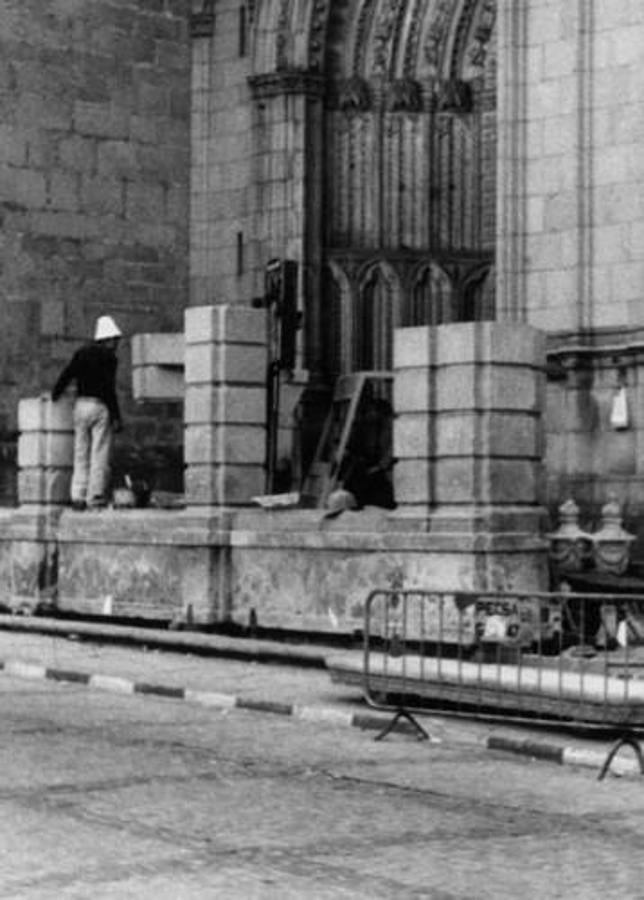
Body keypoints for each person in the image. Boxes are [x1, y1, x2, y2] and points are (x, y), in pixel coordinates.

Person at [51, 315, 123, 510]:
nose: (117, 344)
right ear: (108, 339)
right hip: (99, 406)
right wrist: (116, 416)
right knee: (99, 452)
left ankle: (78, 495)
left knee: (80, 451)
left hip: (81, 405)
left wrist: (55, 394)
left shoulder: (81, 353)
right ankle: (95, 495)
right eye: (115, 340)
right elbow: (109, 388)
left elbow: (67, 374)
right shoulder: (109, 358)